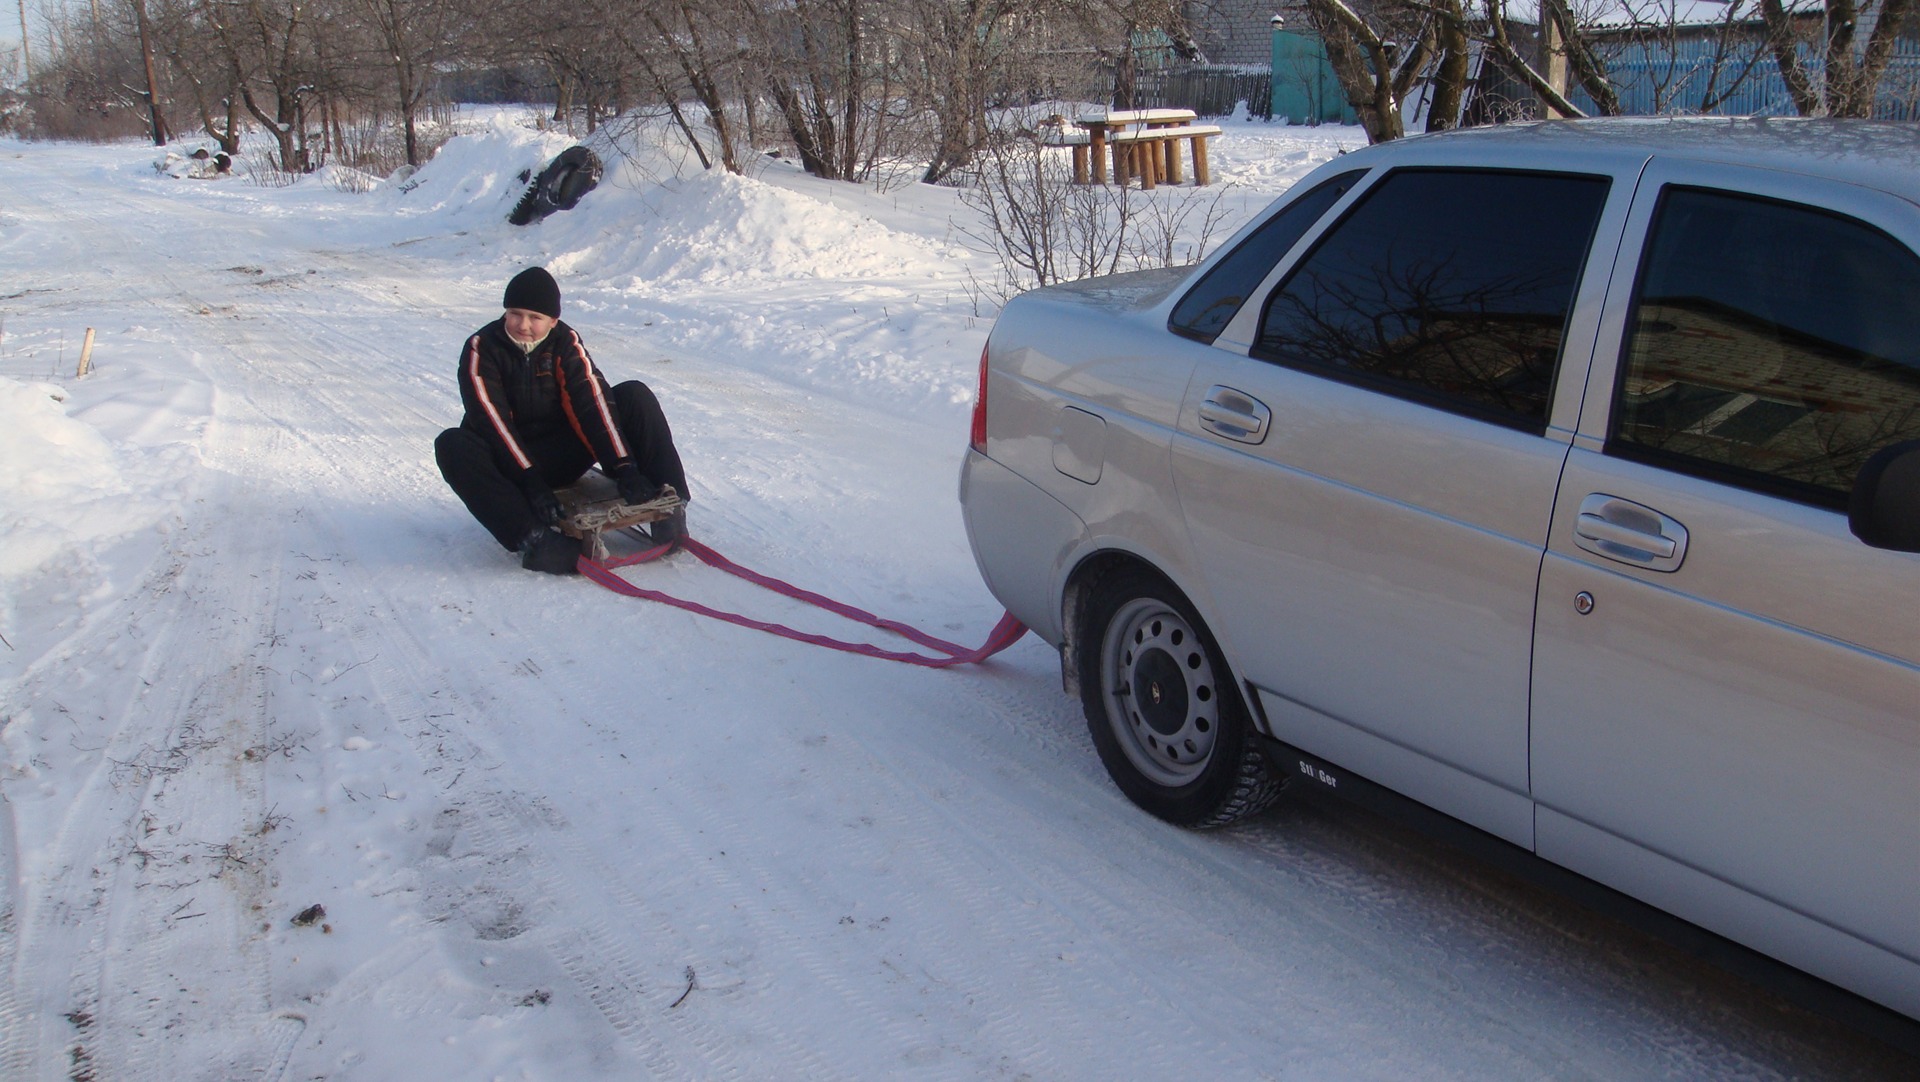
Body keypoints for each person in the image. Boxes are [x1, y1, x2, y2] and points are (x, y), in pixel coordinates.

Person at [436, 266, 690, 574]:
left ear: (553, 321)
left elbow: (591, 402)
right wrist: (529, 480)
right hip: (511, 464)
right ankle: (534, 540)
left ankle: (671, 507)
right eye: (515, 313)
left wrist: (624, 467)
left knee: (633, 395)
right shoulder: (482, 347)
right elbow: (491, 420)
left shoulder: (565, 342)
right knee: (452, 444)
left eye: (535, 317)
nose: (523, 325)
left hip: (562, 452)